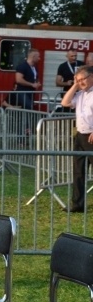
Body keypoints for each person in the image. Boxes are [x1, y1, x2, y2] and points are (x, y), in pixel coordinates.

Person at [60, 65, 93, 212]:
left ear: (91, 77)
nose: (80, 83)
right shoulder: (80, 94)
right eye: (78, 80)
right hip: (80, 136)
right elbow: (65, 103)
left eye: (82, 79)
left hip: (91, 135)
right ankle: (77, 204)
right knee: (78, 171)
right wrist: (74, 85)